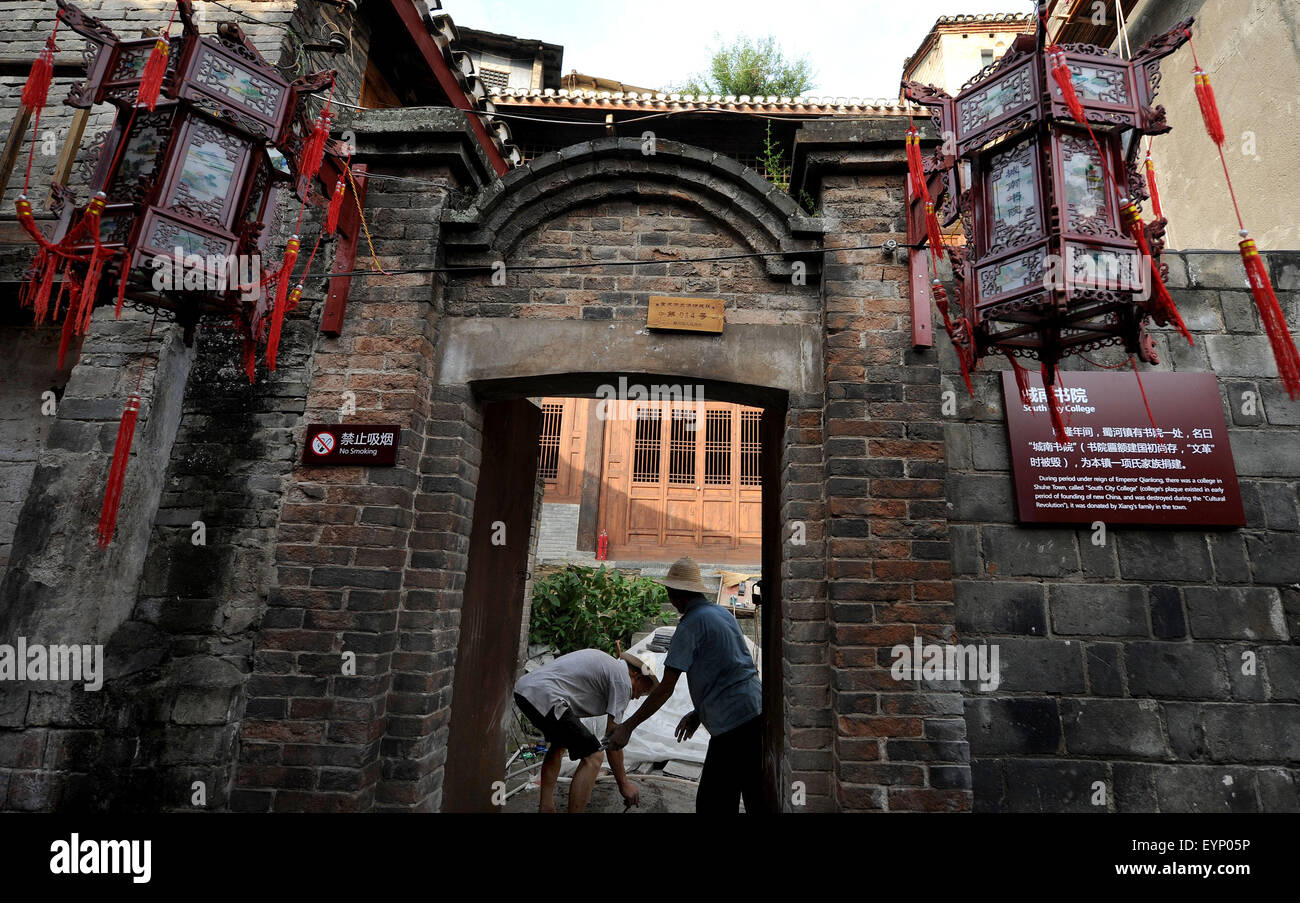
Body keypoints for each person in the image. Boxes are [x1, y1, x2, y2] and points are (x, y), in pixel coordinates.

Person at [603, 557, 766, 814]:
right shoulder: (722, 614)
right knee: (756, 796)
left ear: (676, 595)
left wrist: (628, 727)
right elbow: (732, 670)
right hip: (756, 712)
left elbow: (666, 688)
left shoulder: (689, 626)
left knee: (713, 804)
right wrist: (698, 713)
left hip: (732, 724)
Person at [513, 648, 659, 813]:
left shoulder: (610, 668)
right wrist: (623, 783)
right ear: (637, 677)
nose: (638, 696)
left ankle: (546, 807)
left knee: (559, 744)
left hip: (525, 690)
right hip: (547, 696)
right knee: (594, 756)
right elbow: (613, 739)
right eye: (643, 690)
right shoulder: (622, 681)